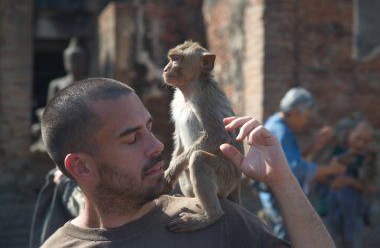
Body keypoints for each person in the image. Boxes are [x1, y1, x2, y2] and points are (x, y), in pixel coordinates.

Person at [39, 78, 335, 248]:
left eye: (150, 128)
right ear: (81, 167)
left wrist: (283, 182)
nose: (157, 146)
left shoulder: (218, 222)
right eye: (131, 139)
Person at [257, 86, 346, 240]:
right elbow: (294, 168)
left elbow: (287, 160)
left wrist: (314, 147)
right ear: (296, 113)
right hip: (277, 197)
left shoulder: (276, 124)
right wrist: (331, 170)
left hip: (273, 195)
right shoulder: (281, 130)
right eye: (306, 118)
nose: (306, 123)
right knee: (285, 237)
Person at [311, 114, 377, 248]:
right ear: (349, 134)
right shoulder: (332, 151)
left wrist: (350, 182)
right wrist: (332, 174)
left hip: (355, 217)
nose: (361, 144)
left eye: (366, 141)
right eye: (358, 138)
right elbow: (313, 173)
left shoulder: (368, 159)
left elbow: (372, 188)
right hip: (328, 211)